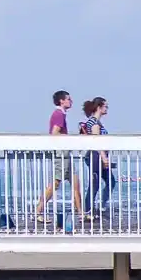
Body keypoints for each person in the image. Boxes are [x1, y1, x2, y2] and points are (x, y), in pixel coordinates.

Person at [33, 90, 82, 224]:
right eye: (69, 99)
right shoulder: (59, 114)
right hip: (61, 154)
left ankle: (81, 213)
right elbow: (54, 133)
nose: (71, 101)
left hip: (65, 153)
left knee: (76, 182)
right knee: (55, 184)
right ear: (61, 101)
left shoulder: (61, 114)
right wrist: (69, 139)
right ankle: (38, 211)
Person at [79, 97, 114, 217]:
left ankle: (100, 206)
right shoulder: (94, 123)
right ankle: (89, 209)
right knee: (95, 183)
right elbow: (97, 142)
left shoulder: (95, 122)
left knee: (109, 181)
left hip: (97, 156)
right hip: (95, 156)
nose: (107, 109)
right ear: (99, 107)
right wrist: (104, 158)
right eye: (105, 106)